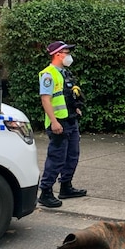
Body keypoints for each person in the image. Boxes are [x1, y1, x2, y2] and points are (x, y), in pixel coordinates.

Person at [37, 41, 86, 208]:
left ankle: (66, 187)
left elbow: (67, 95)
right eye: (66, 52)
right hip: (58, 122)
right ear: (57, 54)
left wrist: (76, 108)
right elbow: (46, 99)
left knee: (72, 155)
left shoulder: (65, 73)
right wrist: (54, 122)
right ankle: (46, 192)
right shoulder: (48, 75)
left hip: (70, 120)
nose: (69, 56)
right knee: (56, 158)